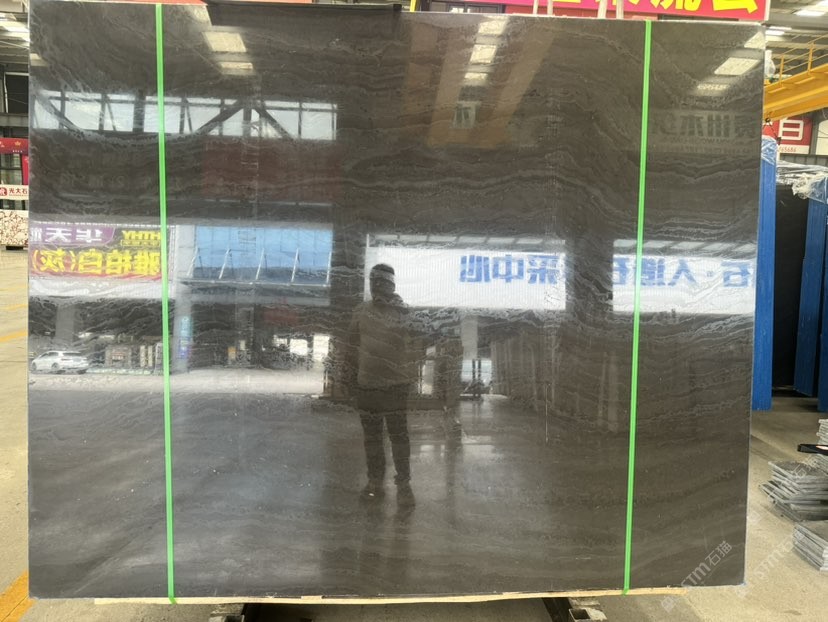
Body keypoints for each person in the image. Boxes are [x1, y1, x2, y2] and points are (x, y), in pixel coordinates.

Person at [346, 264, 420, 507]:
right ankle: (375, 482)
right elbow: (351, 347)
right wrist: (350, 381)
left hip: (396, 385)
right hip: (367, 385)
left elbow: (420, 340)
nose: (376, 286)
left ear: (391, 285)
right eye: (373, 281)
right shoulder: (360, 311)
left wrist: (402, 311)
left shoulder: (403, 311)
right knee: (372, 438)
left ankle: (404, 484)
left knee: (399, 437)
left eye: (381, 282)